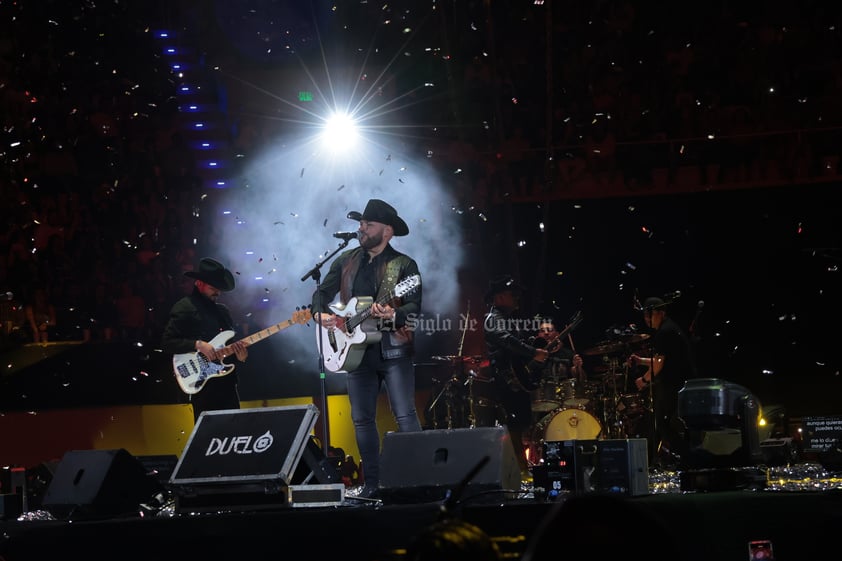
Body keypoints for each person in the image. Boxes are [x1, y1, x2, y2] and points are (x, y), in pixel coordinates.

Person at [311, 199, 423, 498]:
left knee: (405, 415)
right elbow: (321, 293)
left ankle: (422, 481)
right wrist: (320, 314)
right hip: (354, 353)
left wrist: (393, 314)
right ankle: (372, 483)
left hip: (394, 349)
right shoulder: (346, 259)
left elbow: (414, 306)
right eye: (361, 224)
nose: (361, 228)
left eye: (368, 224)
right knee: (361, 419)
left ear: (387, 231)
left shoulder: (404, 266)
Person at [161, 257, 248, 422]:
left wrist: (239, 357)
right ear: (199, 284)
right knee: (208, 436)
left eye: (219, 289)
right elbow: (167, 342)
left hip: (227, 384)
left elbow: (228, 347)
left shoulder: (223, 311)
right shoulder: (184, 307)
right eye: (213, 288)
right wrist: (198, 345)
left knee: (234, 431)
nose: (217, 292)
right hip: (202, 384)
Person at [482, 275, 550, 479]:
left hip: (515, 381)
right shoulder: (493, 319)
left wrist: (532, 345)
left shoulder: (508, 319)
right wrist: (532, 352)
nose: (517, 299)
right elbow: (507, 341)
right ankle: (518, 470)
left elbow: (515, 343)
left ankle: (522, 468)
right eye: (513, 295)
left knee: (520, 423)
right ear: (500, 297)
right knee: (512, 425)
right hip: (505, 382)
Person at [628, 296, 697, 466]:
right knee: (665, 424)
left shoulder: (664, 332)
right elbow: (663, 360)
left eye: (647, 315)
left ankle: (688, 458)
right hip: (681, 383)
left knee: (662, 424)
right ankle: (684, 458)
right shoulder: (670, 328)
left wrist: (643, 380)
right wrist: (641, 360)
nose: (646, 319)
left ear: (658, 313)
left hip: (674, 384)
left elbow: (659, 364)